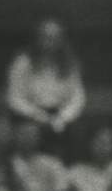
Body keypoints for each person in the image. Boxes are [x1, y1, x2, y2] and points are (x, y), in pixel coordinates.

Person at [6, 19, 86, 158]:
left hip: (60, 116)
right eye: (45, 36)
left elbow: (77, 97)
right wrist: (38, 115)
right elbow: (14, 97)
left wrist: (63, 118)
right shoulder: (23, 62)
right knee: (29, 133)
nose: (49, 41)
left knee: (77, 133)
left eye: (55, 37)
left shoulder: (70, 64)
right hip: (30, 115)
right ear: (37, 38)